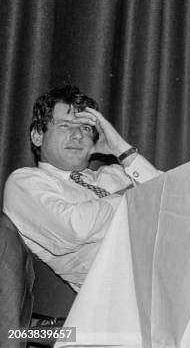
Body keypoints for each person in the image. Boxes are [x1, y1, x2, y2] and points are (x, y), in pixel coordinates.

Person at [3, 85, 161, 291]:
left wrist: (121, 150)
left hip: (169, 263)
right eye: (65, 125)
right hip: (126, 289)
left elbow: (170, 197)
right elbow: (75, 229)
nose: (78, 135)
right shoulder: (26, 181)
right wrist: (135, 196)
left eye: (85, 128)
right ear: (37, 136)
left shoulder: (114, 174)